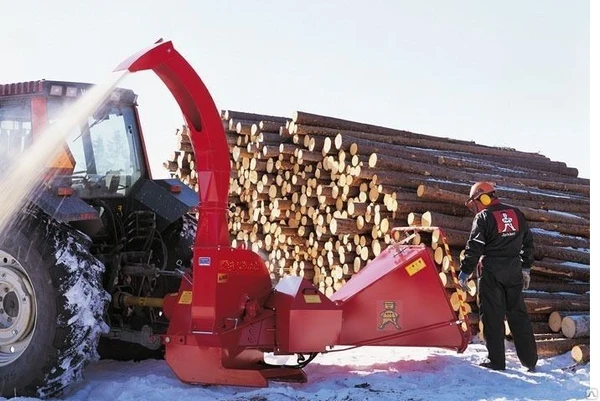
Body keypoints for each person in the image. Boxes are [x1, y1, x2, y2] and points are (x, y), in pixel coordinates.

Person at [457, 181, 538, 372]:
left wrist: (465, 272)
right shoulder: (516, 213)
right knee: (518, 314)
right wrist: (525, 267)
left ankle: (497, 361)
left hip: (491, 271)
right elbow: (528, 242)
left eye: (475, 202)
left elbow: (474, 247)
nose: (475, 207)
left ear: (482, 198)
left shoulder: (483, 217)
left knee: (492, 317)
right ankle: (530, 360)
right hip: (513, 270)